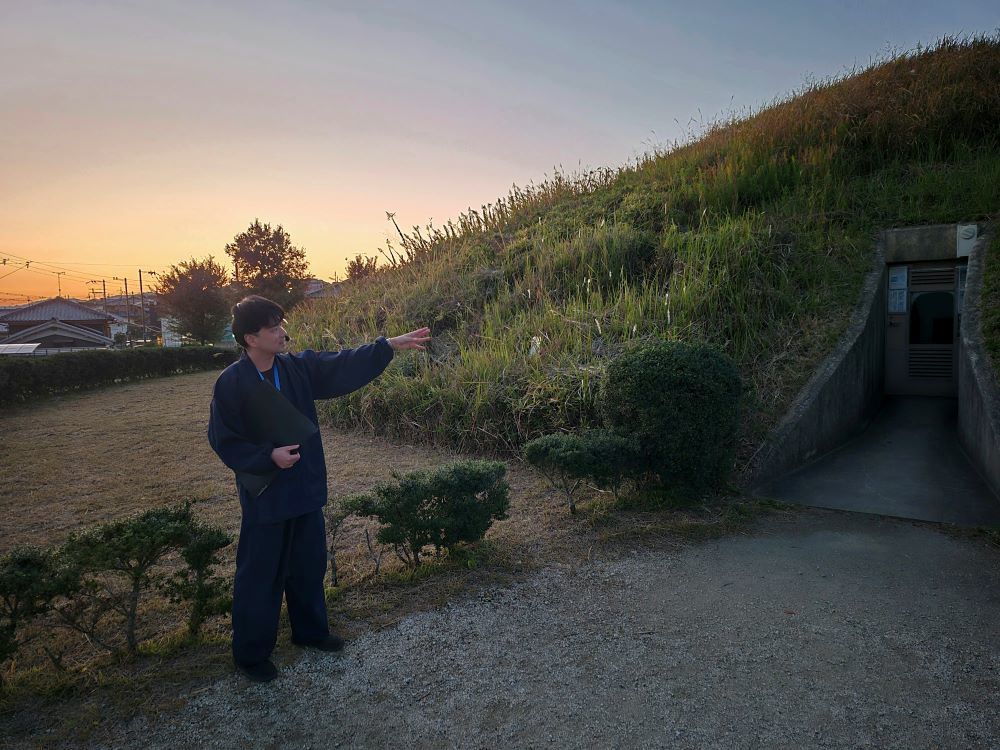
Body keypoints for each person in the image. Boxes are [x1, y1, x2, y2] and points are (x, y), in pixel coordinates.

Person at [208, 294, 430, 682]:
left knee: (308, 564)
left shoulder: (296, 368)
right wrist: (267, 456)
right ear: (250, 338)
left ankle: (310, 632)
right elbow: (223, 439)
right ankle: (251, 654)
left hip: (304, 485)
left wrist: (386, 346)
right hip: (266, 494)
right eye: (273, 328)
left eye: (281, 324)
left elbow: (340, 363)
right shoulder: (231, 383)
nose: (283, 333)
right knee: (260, 573)